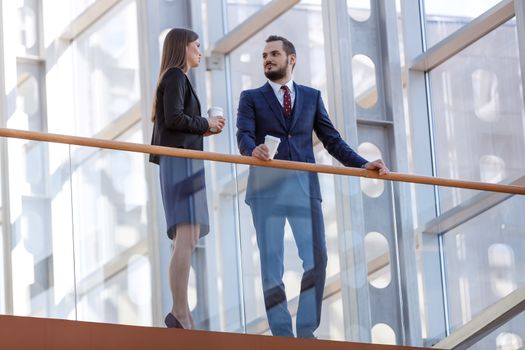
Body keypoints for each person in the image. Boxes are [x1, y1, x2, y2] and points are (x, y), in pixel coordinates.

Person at [236, 35, 389, 338]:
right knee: (271, 262)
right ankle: (282, 332)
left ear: (291, 59)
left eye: (274, 54)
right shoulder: (250, 97)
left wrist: (362, 164)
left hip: (304, 190)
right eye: (264, 55)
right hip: (267, 190)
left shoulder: (311, 96)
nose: (267, 59)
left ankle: (306, 329)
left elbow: (332, 141)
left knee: (317, 257)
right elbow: (244, 135)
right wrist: (253, 150)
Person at [149, 28, 225, 330]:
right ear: (183, 47)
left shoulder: (176, 78)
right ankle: (179, 311)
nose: (200, 51)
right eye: (196, 45)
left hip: (185, 161)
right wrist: (204, 122)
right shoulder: (175, 77)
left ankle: (182, 311)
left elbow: (175, 123)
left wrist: (202, 129)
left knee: (189, 237)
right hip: (180, 162)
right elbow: (175, 118)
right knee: (184, 236)